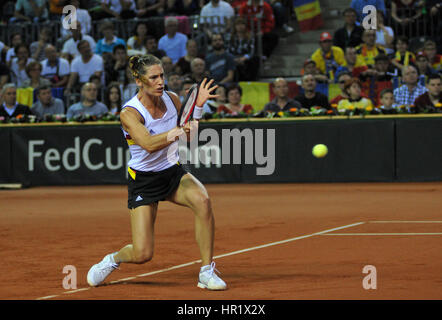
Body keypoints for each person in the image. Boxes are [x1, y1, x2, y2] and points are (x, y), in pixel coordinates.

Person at [86, 54, 227, 291]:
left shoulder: (172, 99)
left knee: (203, 200)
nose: (160, 81)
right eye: (153, 77)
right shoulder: (129, 113)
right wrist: (177, 131)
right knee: (143, 253)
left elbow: (190, 137)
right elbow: (149, 144)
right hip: (143, 180)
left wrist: (199, 108)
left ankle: (205, 271)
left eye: (161, 75)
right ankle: (113, 260)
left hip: (172, 171)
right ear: (139, 81)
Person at [228, 16, 260, 81]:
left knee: (255, 59)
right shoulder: (231, 37)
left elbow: (251, 51)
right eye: (238, 24)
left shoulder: (250, 36)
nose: (240, 26)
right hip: (234, 57)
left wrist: (243, 58)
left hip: (245, 58)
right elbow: (229, 50)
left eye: (242, 24)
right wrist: (235, 59)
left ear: (245, 26)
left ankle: (250, 81)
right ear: (235, 26)